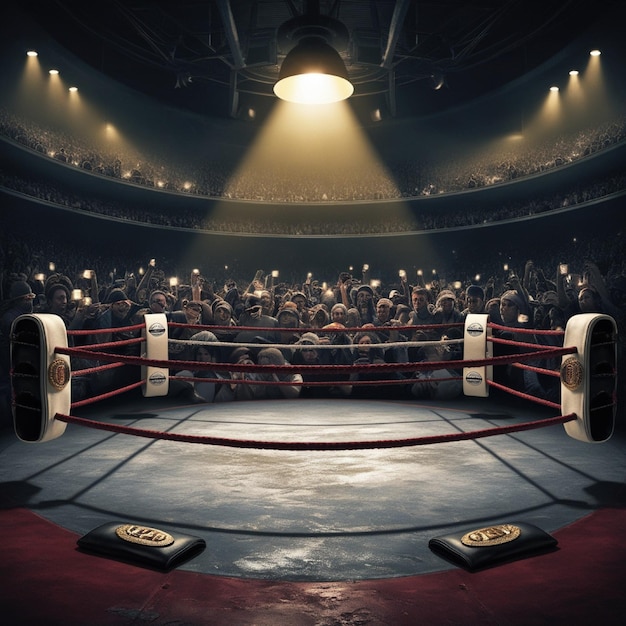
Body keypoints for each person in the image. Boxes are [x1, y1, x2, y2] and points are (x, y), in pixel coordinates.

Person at [0, 281, 36, 424]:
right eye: (29, 298)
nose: (31, 301)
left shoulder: (20, 315)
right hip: (12, 361)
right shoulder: (11, 318)